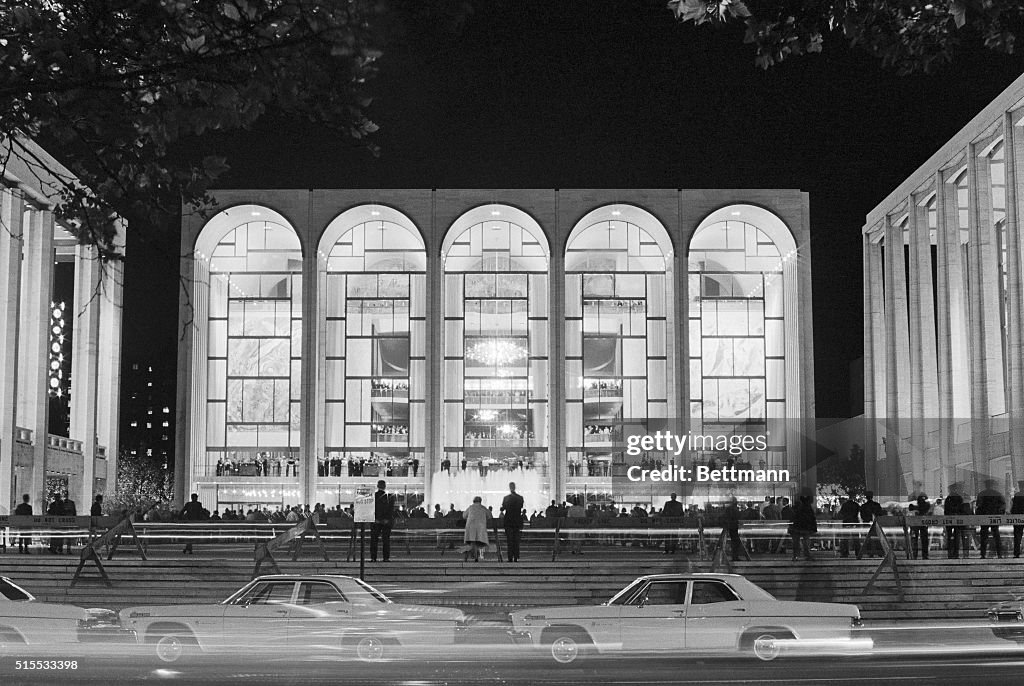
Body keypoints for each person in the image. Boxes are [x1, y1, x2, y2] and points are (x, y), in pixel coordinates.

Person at [976, 479, 1006, 558]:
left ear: (986, 485)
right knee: (996, 536)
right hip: (995, 518)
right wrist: (1000, 514)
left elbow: (978, 506)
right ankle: (999, 554)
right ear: (993, 485)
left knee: (984, 537)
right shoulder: (998, 494)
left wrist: (979, 517)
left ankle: (983, 554)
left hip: (984, 518)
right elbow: (1003, 506)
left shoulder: (981, 494)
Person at [371, 480, 396, 562]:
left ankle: (373, 557)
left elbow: (372, 509)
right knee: (386, 540)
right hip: (386, 522)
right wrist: (386, 519)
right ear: (385, 486)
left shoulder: (373, 496)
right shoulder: (390, 497)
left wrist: (375, 519)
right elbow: (391, 510)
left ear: (377, 486)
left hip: (376, 521)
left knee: (374, 540)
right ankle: (386, 557)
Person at [500, 483, 525, 562]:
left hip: (509, 521)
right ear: (515, 487)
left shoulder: (506, 498)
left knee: (509, 540)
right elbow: (520, 507)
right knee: (516, 540)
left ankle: (510, 557)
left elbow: (503, 508)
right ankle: (516, 557)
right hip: (517, 521)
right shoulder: (520, 498)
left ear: (509, 487)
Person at [790, 494, 817, 561]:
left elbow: (793, 517)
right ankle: (807, 555)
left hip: (796, 527)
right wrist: (814, 528)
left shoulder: (797, 507)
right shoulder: (808, 507)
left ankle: (796, 556)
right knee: (806, 542)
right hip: (805, 527)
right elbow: (812, 518)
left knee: (796, 542)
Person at [462, 496, 490, 562]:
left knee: (472, 540)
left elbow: (464, 516)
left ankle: (474, 555)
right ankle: (476, 555)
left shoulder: (470, 507)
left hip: (471, 526)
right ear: (480, 501)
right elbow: (490, 516)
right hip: (480, 527)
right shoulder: (483, 508)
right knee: (478, 539)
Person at [859, 491, 884, 557]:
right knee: (877, 538)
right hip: (876, 524)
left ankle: (870, 552)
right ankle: (880, 552)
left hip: (867, 524)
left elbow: (862, 516)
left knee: (868, 539)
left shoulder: (864, 506)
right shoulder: (877, 505)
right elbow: (881, 514)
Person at [944, 484, 965, 559]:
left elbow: (946, 510)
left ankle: (950, 553)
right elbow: (961, 509)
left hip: (949, 520)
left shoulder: (948, 498)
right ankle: (956, 554)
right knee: (956, 536)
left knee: (949, 537)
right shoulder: (959, 498)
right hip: (957, 520)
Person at [908, 494, 931, 559]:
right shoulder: (923, 507)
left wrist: (916, 508)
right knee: (923, 540)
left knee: (916, 540)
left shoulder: (918, 507)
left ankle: (915, 555)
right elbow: (925, 507)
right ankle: (924, 555)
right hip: (920, 524)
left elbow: (924, 507)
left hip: (918, 524)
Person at [723, 497, 743, 561]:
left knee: (734, 542)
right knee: (736, 542)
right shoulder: (734, 509)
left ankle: (734, 557)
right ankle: (735, 557)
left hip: (730, 527)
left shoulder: (728, 509)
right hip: (733, 527)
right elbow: (738, 517)